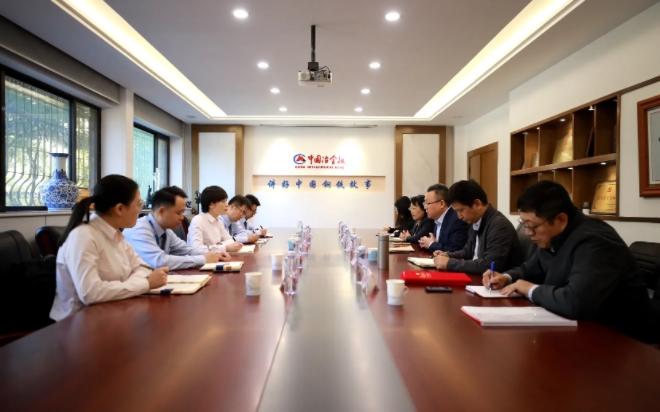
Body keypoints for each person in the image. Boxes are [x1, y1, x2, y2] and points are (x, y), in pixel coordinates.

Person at [485, 180, 657, 343]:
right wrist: (506, 277)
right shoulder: (552, 236)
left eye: (532, 226)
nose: (528, 233)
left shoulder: (596, 241)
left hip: (621, 340)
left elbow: (576, 302)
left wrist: (530, 289)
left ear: (561, 220)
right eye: (524, 224)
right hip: (577, 328)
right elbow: (530, 269)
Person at [50, 175, 169, 321]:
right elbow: (91, 293)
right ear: (120, 209)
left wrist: (131, 285)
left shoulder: (116, 234)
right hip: (77, 323)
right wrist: (145, 284)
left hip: (113, 313)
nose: (140, 210)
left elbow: (143, 268)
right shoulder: (83, 237)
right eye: (138, 204)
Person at [123, 186, 230, 270]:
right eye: (178, 213)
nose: (182, 218)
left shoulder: (167, 231)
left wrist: (216, 254)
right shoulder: (140, 229)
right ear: (161, 211)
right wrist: (203, 259)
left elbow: (188, 250)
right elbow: (160, 261)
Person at [433, 180, 524, 274]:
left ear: (477, 204)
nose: (459, 216)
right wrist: (448, 256)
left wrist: (450, 263)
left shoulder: (499, 225)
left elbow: (490, 265)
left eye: (461, 210)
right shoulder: (475, 221)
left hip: (491, 281)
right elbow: (467, 251)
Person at [187, 186, 243, 253]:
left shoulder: (217, 220)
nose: (226, 205)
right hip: (200, 259)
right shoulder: (198, 220)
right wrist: (224, 247)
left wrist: (218, 245)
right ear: (211, 204)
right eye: (223, 201)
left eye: (226, 201)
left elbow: (230, 240)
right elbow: (196, 249)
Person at [419, 184, 469, 252]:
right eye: (424, 203)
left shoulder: (457, 220)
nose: (425, 207)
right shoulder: (437, 219)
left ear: (441, 204)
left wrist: (431, 244)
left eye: (428, 203)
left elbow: (455, 250)